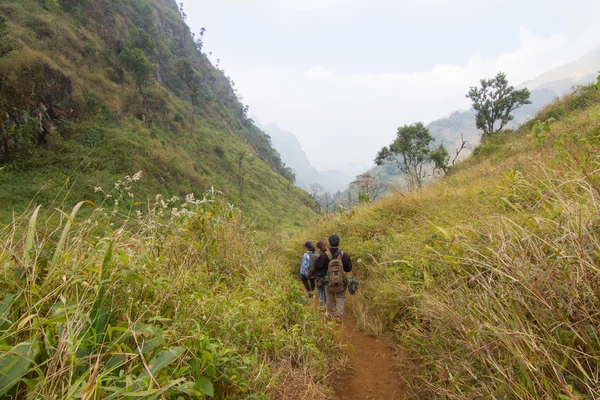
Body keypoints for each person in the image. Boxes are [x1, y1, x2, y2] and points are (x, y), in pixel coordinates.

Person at [313, 234, 352, 323]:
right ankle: (339, 317)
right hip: (341, 281)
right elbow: (349, 268)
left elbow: (317, 266)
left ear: (329, 243)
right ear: (339, 242)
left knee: (329, 297)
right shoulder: (344, 255)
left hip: (328, 281)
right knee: (340, 298)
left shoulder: (324, 255)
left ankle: (330, 314)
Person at [312, 240, 328, 307]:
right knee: (327, 292)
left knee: (320, 291)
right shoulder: (329, 255)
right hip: (328, 277)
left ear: (318, 248)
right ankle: (328, 307)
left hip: (319, 277)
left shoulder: (318, 256)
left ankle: (322, 306)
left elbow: (315, 267)